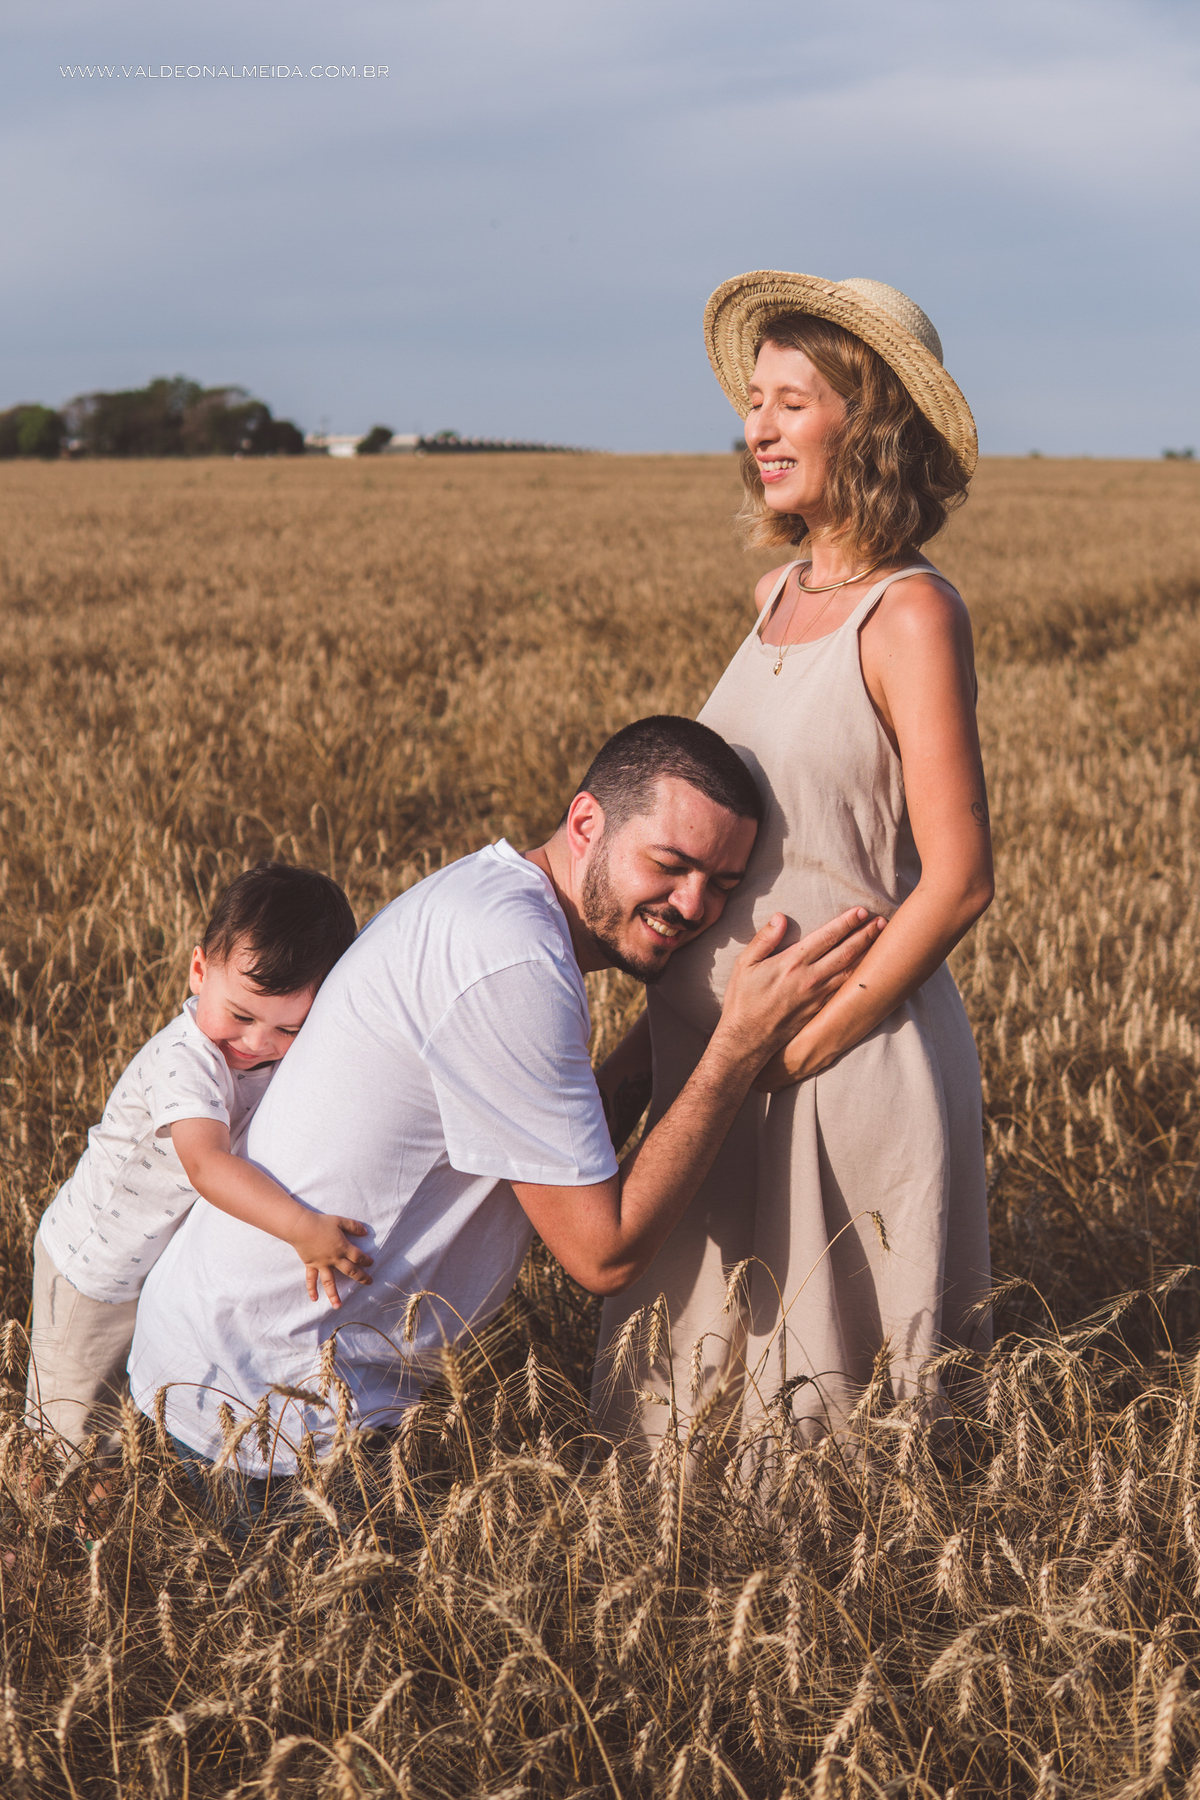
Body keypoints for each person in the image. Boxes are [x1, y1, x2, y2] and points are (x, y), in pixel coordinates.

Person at [127, 717, 885, 1510]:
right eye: (670, 863)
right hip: (268, 1419)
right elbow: (603, 1255)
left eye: (723, 885)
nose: (694, 903)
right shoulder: (511, 959)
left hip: (225, 1364)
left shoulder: (491, 900)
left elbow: (547, 1139)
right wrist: (734, 1050)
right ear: (587, 823)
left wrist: (685, 1029)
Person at [592, 272, 995, 1451]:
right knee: (690, 1426)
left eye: (791, 401)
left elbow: (960, 877)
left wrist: (808, 1041)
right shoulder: (776, 593)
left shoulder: (911, 612)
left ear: (866, 421)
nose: (757, 428)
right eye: (753, 403)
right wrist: (697, 1052)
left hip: (842, 1058)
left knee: (832, 1440)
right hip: (721, 1065)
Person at [26, 861, 367, 1457]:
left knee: (120, 1428)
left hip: (148, 1270)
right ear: (198, 969)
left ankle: (97, 1515)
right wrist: (302, 1228)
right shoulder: (188, 1060)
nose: (258, 1042)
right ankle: (32, 1534)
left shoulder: (266, 1055)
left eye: (290, 1029)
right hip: (93, 1271)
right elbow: (208, 1166)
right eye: (241, 1014)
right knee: (67, 1429)